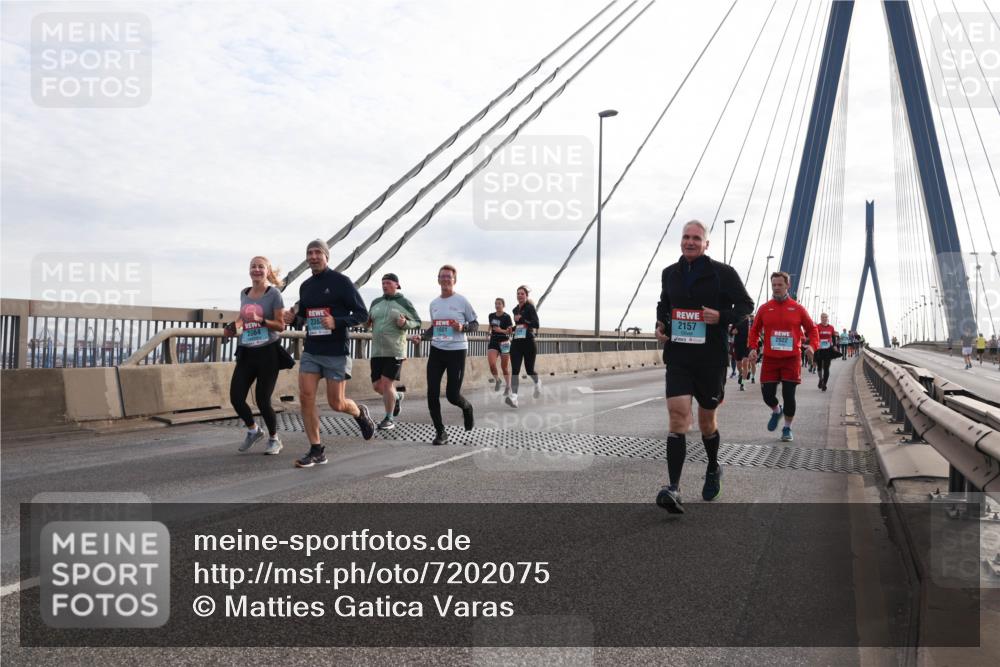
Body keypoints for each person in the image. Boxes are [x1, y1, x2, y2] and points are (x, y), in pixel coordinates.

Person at [653, 220, 754, 514]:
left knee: (707, 422)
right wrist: (660, 325)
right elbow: (664, 305)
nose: (690, 242)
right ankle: (673, 487)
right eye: (686, 237)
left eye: (696, 238)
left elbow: (746, 306)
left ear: (706, 244)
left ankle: (713, 467)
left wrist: (721, 316)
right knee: (677, 417)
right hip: (679, 357)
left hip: (710, 359)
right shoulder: (669, 273)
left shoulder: (723, 273)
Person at [282, 239, 375, 468]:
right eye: (309, 253)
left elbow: (362, 314)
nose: (313, 256)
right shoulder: (305, 286)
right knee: (306, 397)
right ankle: (316, 449)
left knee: (336, 403)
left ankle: (359, 412)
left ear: (326, 256)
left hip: (336, 351)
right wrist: (294, 319)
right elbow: (305, 318)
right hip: (312, 350)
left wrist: (338, 321)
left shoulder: (341, 282)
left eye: (317, 253)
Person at [409, 264, 477, 445]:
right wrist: (422, 337)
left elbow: (475, 324)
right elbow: (434, 328)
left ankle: (467, 407)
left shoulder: (462, 301)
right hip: (437, 351)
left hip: (457, 351)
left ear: (454, 280)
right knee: (432, 393)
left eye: (449, 277)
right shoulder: (434, 304)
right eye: (442, 276)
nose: (446, 279)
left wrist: (463, 327)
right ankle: (441, 433)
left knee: (452, 396)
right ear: (438, 279)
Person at [748, 271, 819, 443]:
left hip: (791, 359)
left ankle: (787, 428)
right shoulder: (765, 308)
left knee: (789, 395)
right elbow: (755, 330)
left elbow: (812, 330)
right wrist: (752, 348)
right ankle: (776, 410)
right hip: (770, 359)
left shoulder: (798, 308)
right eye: (774, 285)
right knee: (767, 395)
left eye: (780, 285)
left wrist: (812, 346)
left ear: (788, 286)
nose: (776, 288)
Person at [226, 256, 287, 455]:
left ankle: (274, 439)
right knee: (236, 397)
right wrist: (232, 329)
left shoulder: (274, 294)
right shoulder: (244, 293)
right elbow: (241, 320)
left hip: (268, 352)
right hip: (246, 351)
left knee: (262, 399)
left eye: (261, 267)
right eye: (253, 266)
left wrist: (262, 321)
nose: (257, 270)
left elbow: (281, 325)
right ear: (249, 270)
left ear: (268, 270)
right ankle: (253, 430)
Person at [367, 272, 421, 431]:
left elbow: (417, 322)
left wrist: (405, 323)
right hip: (377, 350)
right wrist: (366, 322)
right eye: (383, 283)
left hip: (395, 349)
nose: (385, 286)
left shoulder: (404, 302)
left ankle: (389, 419)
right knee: (377, 386)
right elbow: (368, 323)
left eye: (388, 283)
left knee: (386, 383)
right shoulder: (376, 302)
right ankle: (397, 397)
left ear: (397, 285)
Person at [506, 285, 542, 409]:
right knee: (515, 370)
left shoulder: (530, 308)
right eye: (518, 293)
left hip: (528, 342)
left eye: (522, 293)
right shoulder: (515, 309)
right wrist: (512, 328)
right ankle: (514, 398)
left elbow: (536, 324)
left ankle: (537, 382)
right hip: (516, 342)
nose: (519, 295)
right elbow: (520, 325)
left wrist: (523, 319)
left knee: (529, 370)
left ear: (526, 296)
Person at [486, 298, 514, 395]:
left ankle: (508, 386)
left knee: (504, 367)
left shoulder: (507, 317)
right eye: (496, 304)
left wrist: (500, 330)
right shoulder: (491, 315)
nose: (497, 305)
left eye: (499, 304)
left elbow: (509, 331)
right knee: (492, 364)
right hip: (493, 341)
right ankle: (497, 380)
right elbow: (490, 326)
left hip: (504, 342)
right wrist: (488, 333)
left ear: (503, 305)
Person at [814, 312, 839, 392]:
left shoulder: (831, 327)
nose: (824, 319)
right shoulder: (817, 327)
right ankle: (821, 379)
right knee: (819, 366)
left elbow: (833, 337)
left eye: (826, 317)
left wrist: (835, 345)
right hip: (819, 349)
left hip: (828, 349)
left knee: (827, 367)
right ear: (821, 318)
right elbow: (814, 336)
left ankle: (824, 384)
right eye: (823, 317)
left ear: (827, 318)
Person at [733, 314, 755, 391]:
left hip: (747, 345)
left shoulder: (751, 322)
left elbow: (756, 331)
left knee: (745, 363)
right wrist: (733, 331)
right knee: (738, 365)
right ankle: (742, 374)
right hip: (738, 345)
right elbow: (731, 331)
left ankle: (743, 383)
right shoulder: (736, 320)